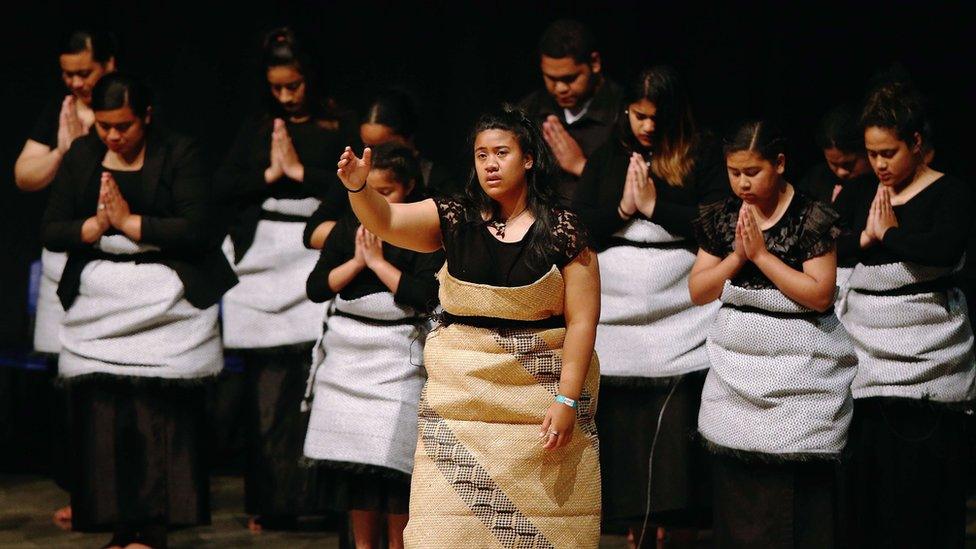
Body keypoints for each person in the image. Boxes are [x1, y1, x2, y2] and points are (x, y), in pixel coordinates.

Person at [335, 107, 601, 548]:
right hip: (461, 404)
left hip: (538, 401)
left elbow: (582, 320)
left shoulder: (563, 229)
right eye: (481, 155)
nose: (490, 165)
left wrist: (567, 398)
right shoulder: (454, 216)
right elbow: (384, 220)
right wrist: (358, 187)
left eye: (502, 153)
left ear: (529, 159)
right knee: (445, 531)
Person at [40, 72, 236, 549]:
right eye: (104, 125)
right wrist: (92, 227)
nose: (112, 135)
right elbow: (52, 227)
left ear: (146, 116)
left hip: (165, 305)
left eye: (123, 125)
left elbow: (199, 227)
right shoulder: (85, 154)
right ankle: (117, 527)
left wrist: (130, 223)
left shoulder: (180, 152)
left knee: (157, 421)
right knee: (104, 420)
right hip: (101, 306)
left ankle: (152, 529)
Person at [572, 66, 727, 547]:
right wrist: (623, 210)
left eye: (657, 118)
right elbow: (578, 225)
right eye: (640, 116)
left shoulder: (701, 152)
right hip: (620, 330)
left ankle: (672, 533)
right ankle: (633, 534)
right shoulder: (608, 155)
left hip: (681, 327)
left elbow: (721, 223)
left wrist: (656, 207)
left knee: (674, 460)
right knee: (626, 452)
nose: (647, 127)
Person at [689, 120, 856, 547]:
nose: (741, 182)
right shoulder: (723, 216)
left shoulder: (811, 216)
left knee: (794, 508)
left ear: (779, 164)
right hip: (737, 375)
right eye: (734, 172)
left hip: (800, 378)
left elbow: (819, 295)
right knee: (740, 499)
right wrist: (737, 258)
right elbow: (699, 290)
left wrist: (761, 257)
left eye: (752, 172)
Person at [214, 27, 349, 532]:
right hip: (265, 265)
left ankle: (324, 500)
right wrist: (271, 176)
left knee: (315, 385)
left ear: (310, 79)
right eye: (278, 88)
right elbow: (223, 187)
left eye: (294, 85)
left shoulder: (341, 124)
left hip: (315, 252)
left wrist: (301, 173)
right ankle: (272, 503)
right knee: (267, 394)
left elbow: (358, 185)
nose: (287, 96)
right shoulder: (258, 126)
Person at [835, 81, 974, 548]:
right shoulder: (861, 193)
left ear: (916, 143)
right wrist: (867, 241)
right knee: (868, 504)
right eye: (872, 153)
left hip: (927, 371)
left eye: (888, 152)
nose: (878, 164)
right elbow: (832, 247)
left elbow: (943, 250)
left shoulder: (951, 193)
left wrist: (889, 237)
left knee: (919, 504)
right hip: (866, 367)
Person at [302, 143, 443, 549]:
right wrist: (359, 262)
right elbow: (315, 287)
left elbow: (427, 295)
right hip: (348, 359)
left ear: (411, 187)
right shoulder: (350, 224)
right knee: (357, 473)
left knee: (396, 469)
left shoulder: (425, 229)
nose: (377, 202)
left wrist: (380, 264)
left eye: (388, 193)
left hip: (398, 357)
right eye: (371, 192)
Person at [12, 28, 117, 528]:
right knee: (70, 386)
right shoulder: (61, 112)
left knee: (109, 383)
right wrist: (62, 152)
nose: (75, 82)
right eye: (67, 73)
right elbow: (24, 175)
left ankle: (116, 495)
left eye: (85, 72)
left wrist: (83, 148)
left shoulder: (124, 112)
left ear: (109, 66)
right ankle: (83, 491)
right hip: (66, 259)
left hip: (118, 260)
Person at [519, 19, 623, 206]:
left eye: (570, 78)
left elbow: (641, 196)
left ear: (595, 63)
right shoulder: (528, 110)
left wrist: (581, 166)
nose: (560, 88)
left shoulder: (625, 112)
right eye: (551, 78)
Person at [358, 89, 457, 198]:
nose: (375, 154)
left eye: (385, 146)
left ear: (408, 139)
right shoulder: (358, 178)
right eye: (368, 146)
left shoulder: (438, 182)